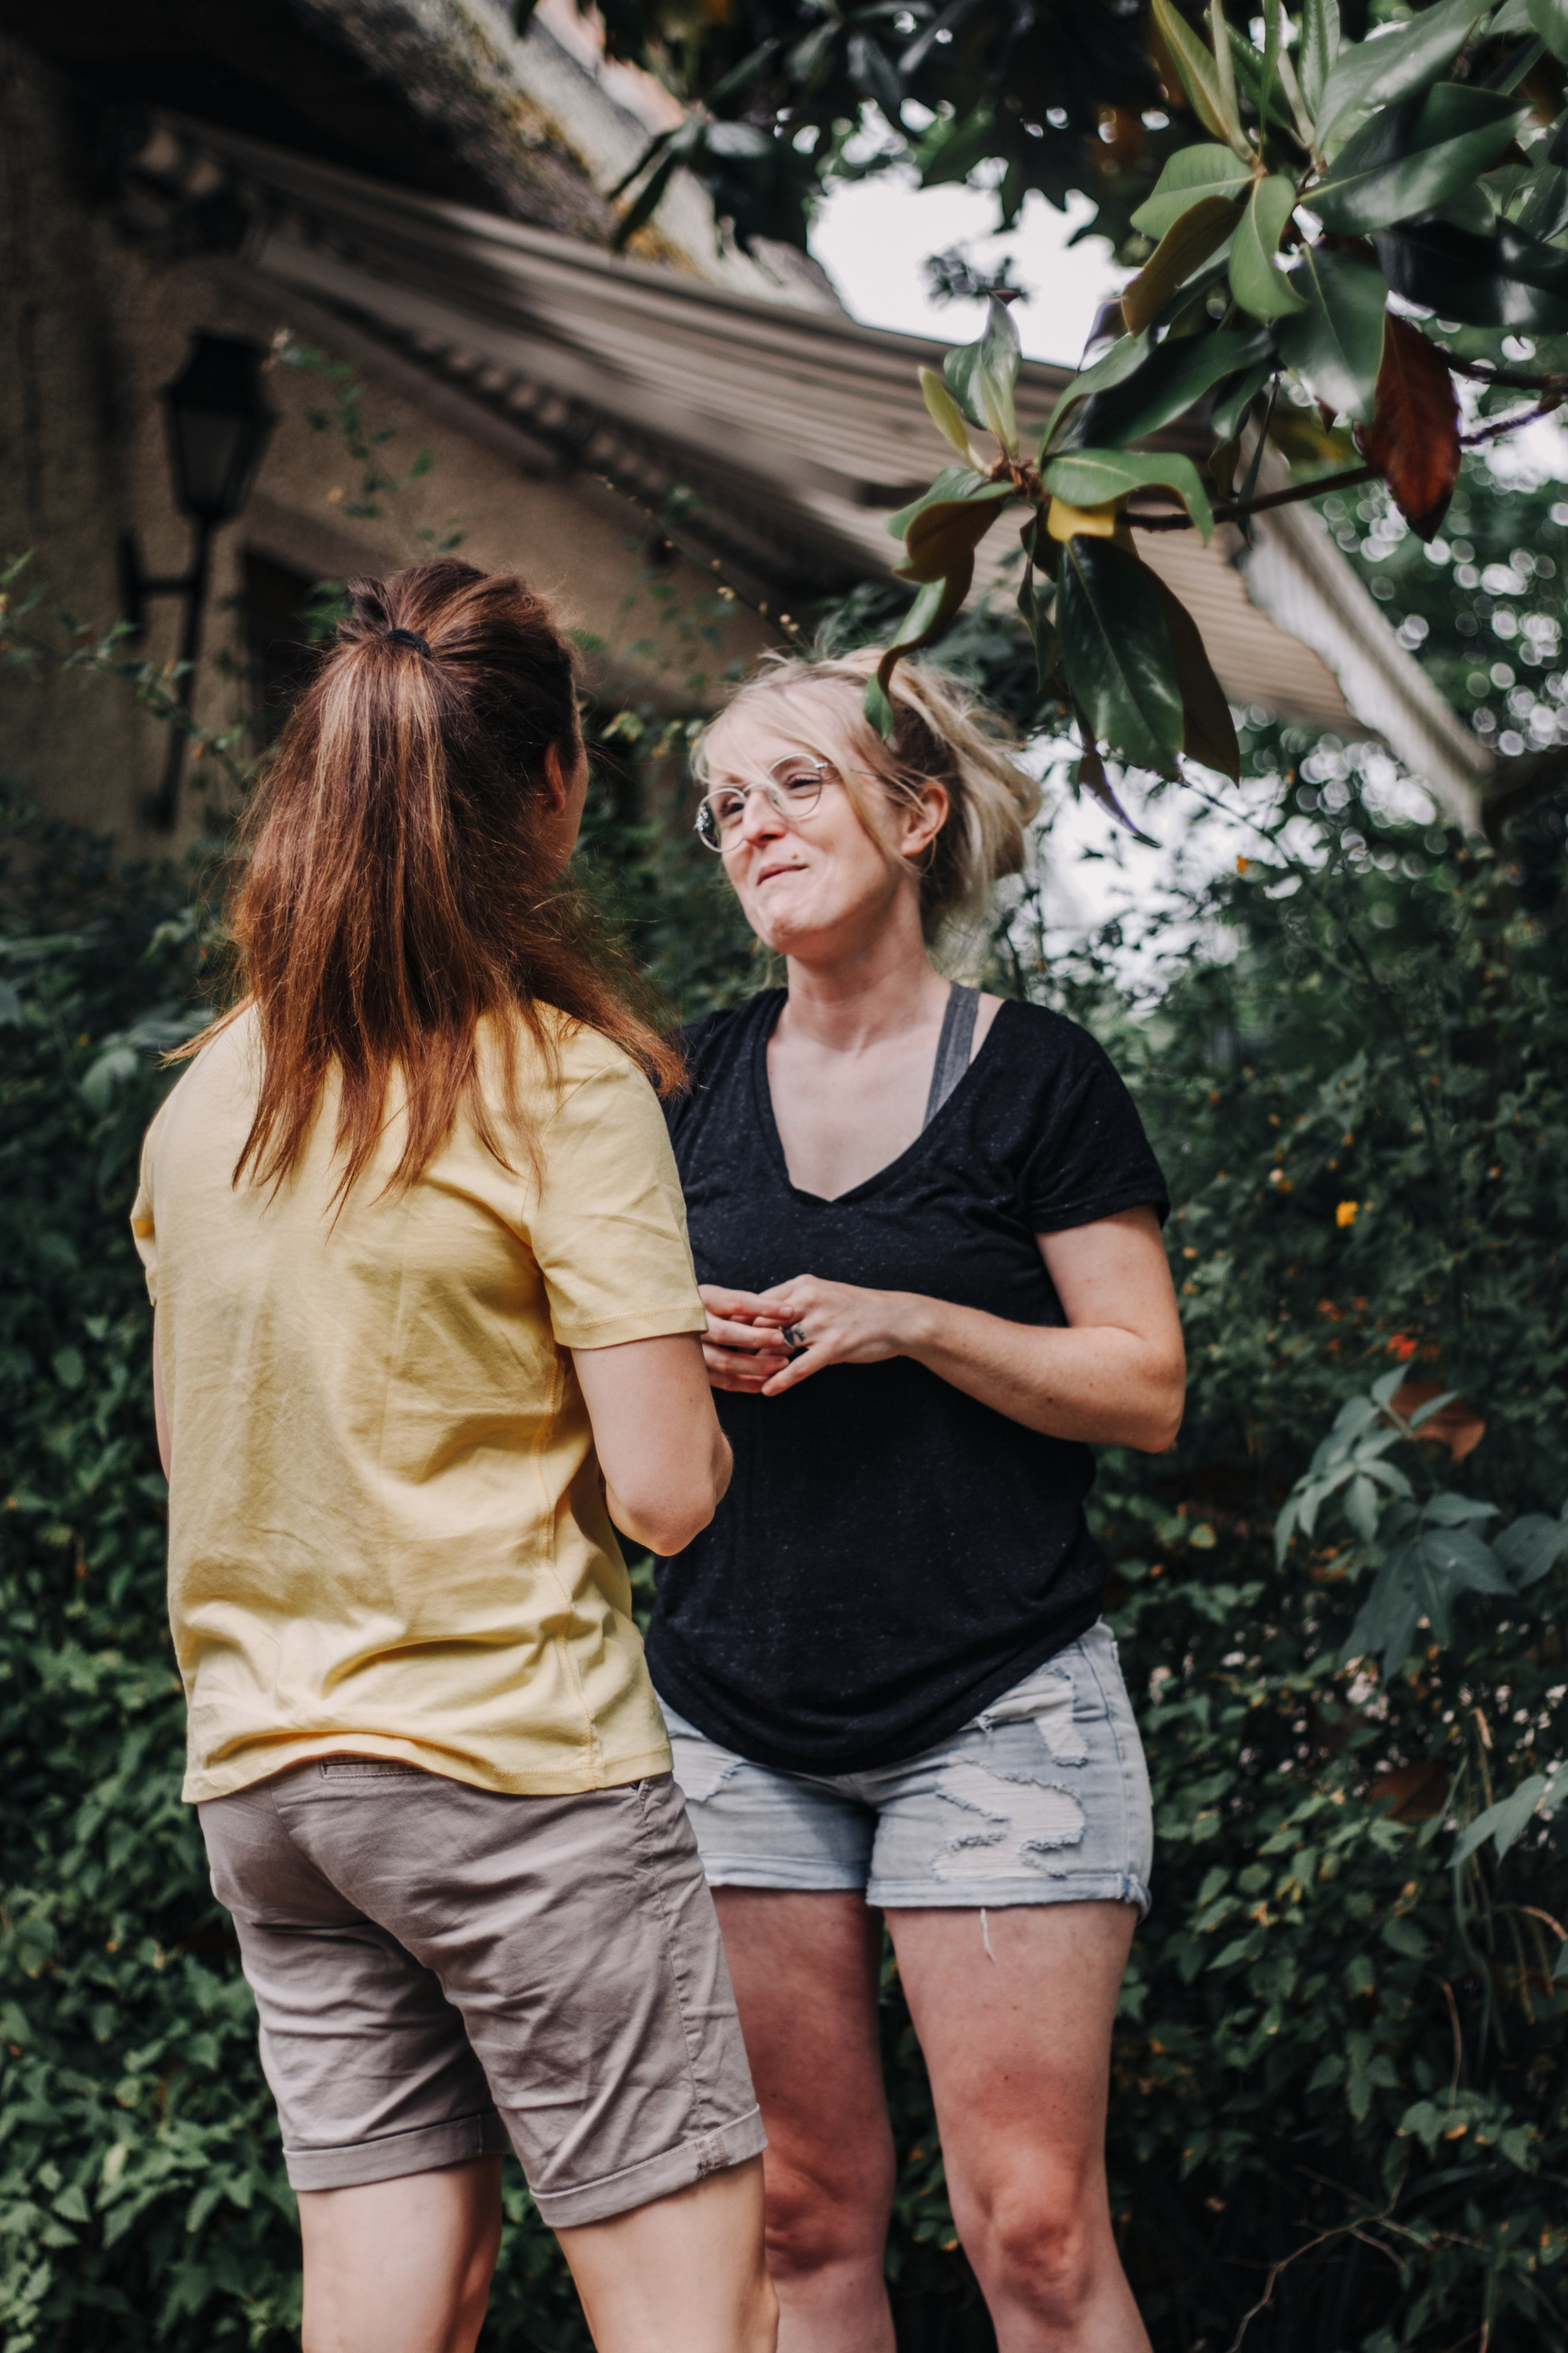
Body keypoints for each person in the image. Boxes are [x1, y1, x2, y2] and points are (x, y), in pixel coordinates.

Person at [130, 562, 777, 2353]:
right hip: (515, 1768)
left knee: (387, 2318)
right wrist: (667, 1392)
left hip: (271, 1784)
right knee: (697, 2323)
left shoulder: (207, 1102)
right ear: (556, 782)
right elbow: (661, 1493)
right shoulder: (563, 1085)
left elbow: (217, 1455)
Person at [647, 648, 1186, 2353]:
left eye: (796, 781)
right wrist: (676, 1350)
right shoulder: (678, 1090)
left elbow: (1146, 1382)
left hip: (995, 1708)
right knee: (800, 2220)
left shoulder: (1037, 1078)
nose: (756, 823)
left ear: (917, 808)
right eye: (728, 802)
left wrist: (920, 1320)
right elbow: (596, 1401)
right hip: (734, 1717)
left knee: (1030, 2224)